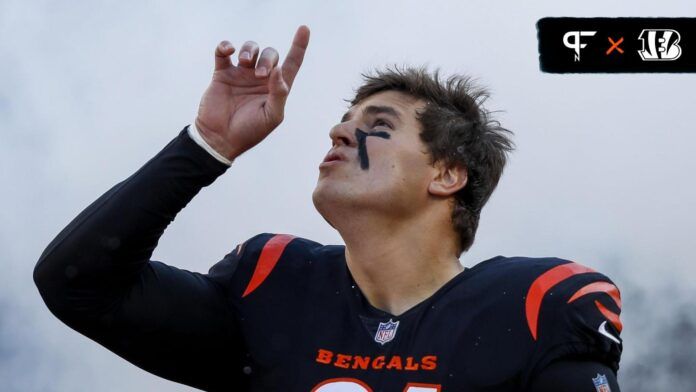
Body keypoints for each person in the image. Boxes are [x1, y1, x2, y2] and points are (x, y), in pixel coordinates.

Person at [33, 26, 623, 391]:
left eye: (378, 126)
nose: (339, 133)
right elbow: (77, 283)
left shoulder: (534, 306)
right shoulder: (273, 288)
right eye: (343, 121)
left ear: (446, 174)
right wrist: (204, 147)